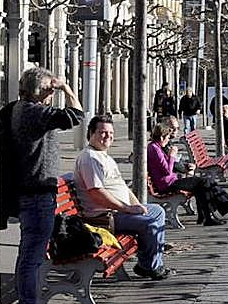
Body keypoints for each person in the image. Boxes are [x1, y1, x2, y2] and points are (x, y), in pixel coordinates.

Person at [0, 67, 83, 304]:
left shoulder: (20, 109)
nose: (52, 93)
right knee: (32, 257)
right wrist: (67, 89)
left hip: (31, 191)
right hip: (36, 194)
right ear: (42, 90)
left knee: (29, 254)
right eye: (49, 89)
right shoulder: (34, 112)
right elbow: (77, 115)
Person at [73, 114, 171, 280]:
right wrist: (127, 208)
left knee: (158, 212)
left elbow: (122, 188)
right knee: (151, 222)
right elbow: (96, 192)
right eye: (103, 132)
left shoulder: (104, 156)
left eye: (111, 133)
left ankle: (149, 263)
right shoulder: (89, 158)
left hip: (119, 211)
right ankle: (150, 265)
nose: (108, 136)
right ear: (91, 133)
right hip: (104, 217)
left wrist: (138, 206)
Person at [147, 122, 228, 225]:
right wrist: (172, 156)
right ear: (161, 137)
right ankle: (227, 209)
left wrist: (183, 165)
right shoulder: (155, 149)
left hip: (170, 181)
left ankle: (214, 214)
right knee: (204, 183)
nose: (168, 140)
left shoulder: (156, 147)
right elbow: (167, 171)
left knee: (205, 184)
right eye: (167, 138)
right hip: (167, 184)